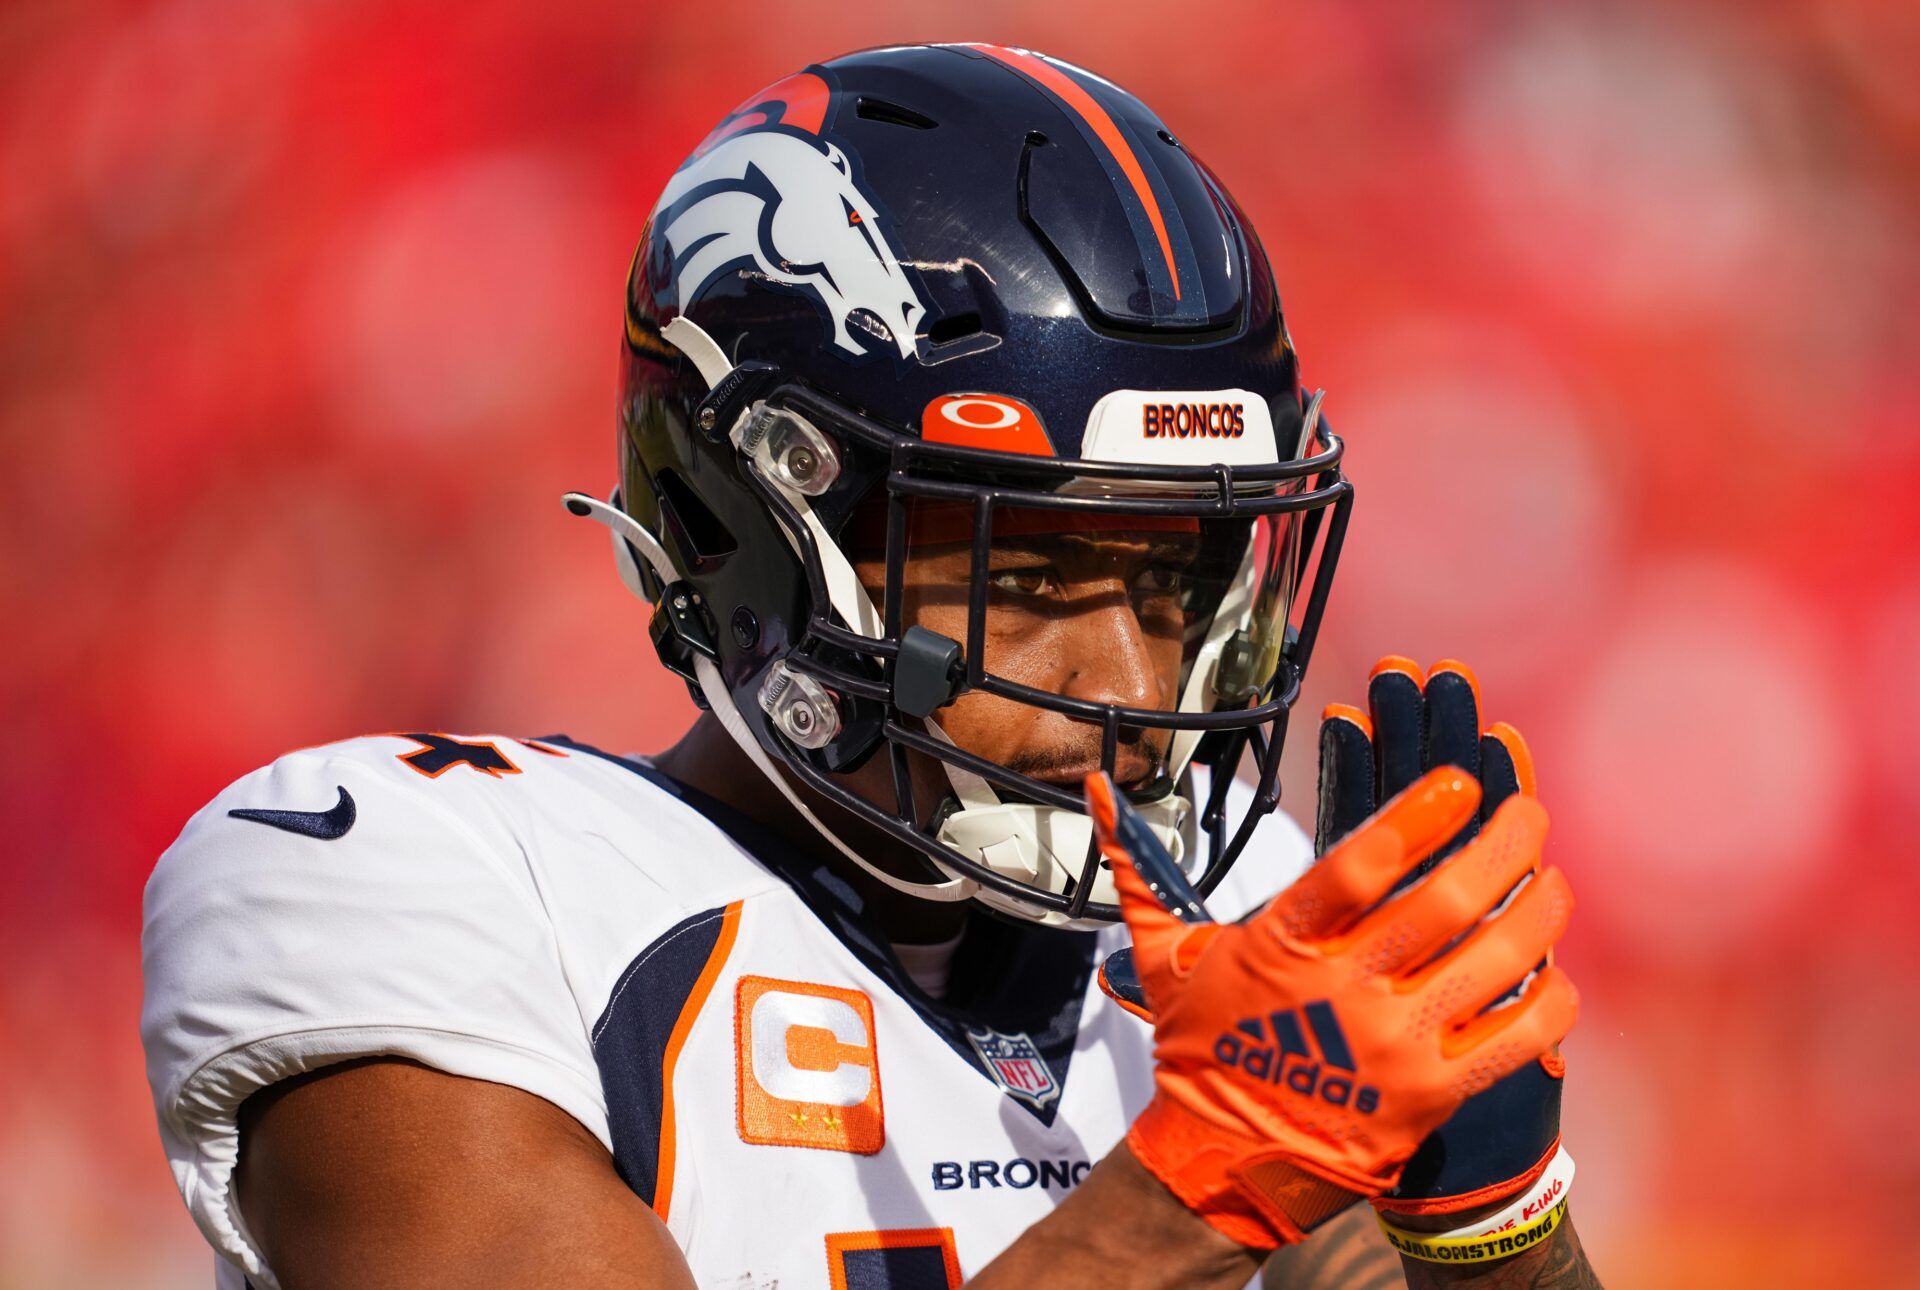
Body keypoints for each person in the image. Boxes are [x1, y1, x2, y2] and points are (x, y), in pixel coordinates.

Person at [141, 44, 1598, 1288]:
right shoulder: (420, 877)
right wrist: (1198, 1185)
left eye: (1168, 585)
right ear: (749, 533)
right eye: (1027, 578)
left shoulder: (1227, 921)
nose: (1122, 684)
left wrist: (1493, 1227)